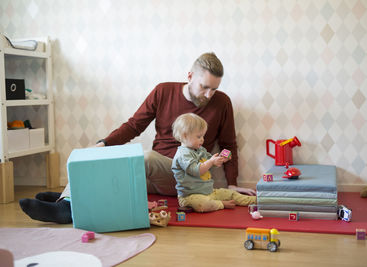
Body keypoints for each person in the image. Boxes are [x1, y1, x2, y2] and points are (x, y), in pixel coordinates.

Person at [19, 52, 256, 223]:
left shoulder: (222, 102)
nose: (209, 94)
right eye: (205, 87)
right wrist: (103, 144)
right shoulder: (163, 91)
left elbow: (228, 145)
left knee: (145, 158)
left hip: (184, 178)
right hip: (155, 176)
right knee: (105, 162)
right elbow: (134, 125)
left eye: (214, 88)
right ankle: (69, 200)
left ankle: (65, 212)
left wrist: (232, 183)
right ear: (190, 75)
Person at [171, 113, 256, 212]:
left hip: (209, 191)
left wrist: (219, 160)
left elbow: (210, 165)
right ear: (184, 136)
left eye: (203, 136)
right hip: (190, 196)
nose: (202, 139)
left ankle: (254, 200)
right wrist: (211, 161)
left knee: (231, 193)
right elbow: (196, 170)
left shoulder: (200, 150)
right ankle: (221, 204)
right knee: (203, 204)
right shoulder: (183, 155)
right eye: (198, 136)